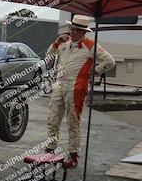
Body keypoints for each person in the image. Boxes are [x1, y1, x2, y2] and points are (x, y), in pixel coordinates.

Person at [45, 14, 115, 168]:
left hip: (77, 86)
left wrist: (93, 71)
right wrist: (55, 44)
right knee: (52, 118)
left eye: (76, 30)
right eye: (72, 28)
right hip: (59, 84)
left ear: (84, 32)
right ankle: (50, 150)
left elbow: (110, 61)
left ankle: (73, 155)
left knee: (73, 121)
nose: (72, 32)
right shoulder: (63, 43)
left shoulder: (91, 45)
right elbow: (48, 58)